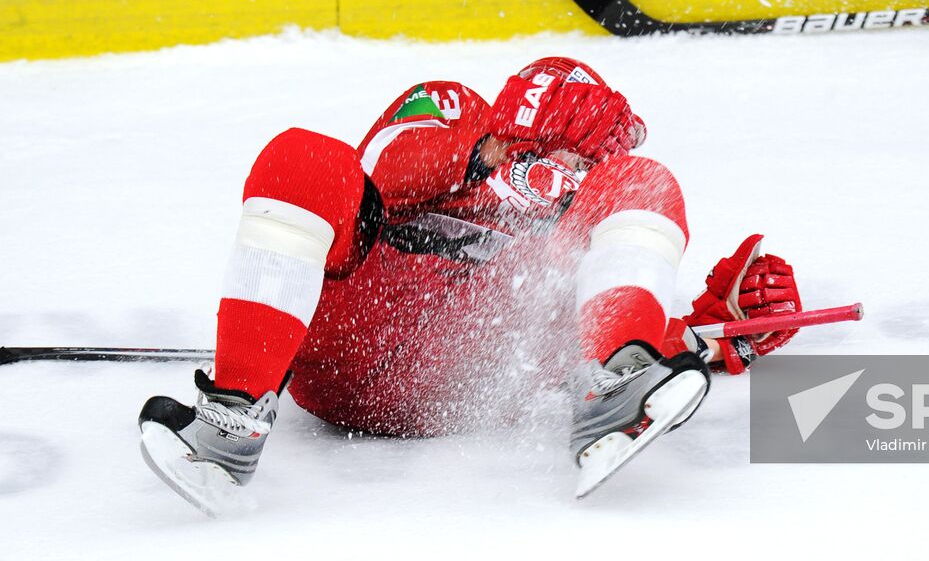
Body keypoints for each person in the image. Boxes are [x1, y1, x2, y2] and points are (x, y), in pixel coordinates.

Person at [136, 57, 802, 515]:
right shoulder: (454, 107)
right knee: (304, 157)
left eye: (594, 160)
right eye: (581, 150)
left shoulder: (581, 213)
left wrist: (718, 328)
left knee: (648, 183)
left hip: (458, 384)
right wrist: (489, 156)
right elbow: (376, 168)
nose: (587, 169)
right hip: (346, 341)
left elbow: (617, 295)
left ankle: (613, 397)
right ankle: (230, 423)